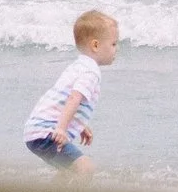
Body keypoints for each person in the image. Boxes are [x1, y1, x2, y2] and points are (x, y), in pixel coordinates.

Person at [23, 9, 117, 182]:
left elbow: (62, 99)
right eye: (113, 44)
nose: (116, 49)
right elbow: (74, 98)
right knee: (86, 168)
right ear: (95, 45)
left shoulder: (78, 66)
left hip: (36, 132)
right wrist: (61, 128)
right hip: (47, 133)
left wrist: (79, 125)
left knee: (68, 171)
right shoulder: (91, 72)